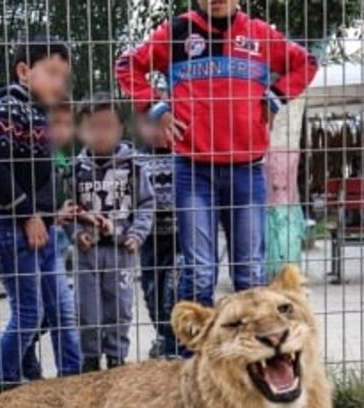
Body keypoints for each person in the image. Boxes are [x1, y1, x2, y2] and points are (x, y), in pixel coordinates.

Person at [116, 0, 318, 309]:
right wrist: (156, 108)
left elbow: (307, 63)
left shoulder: (259, 33)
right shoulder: (176, 32)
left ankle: (250, 340)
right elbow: (127, 65)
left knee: (250, 273)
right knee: (199, 273)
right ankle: (193, 340)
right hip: (193, 171)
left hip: (247, 171)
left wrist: (275, 98)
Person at [0, 38, 82, 397]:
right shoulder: (8, 109)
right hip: (15, 228)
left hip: (44, 229)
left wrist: (52, 213)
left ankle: (73, 385)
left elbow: (39, 177)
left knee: (61, 310)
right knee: (29, 313)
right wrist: (28, 215)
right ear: (24, 71)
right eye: (51, 73)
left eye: (63, 76)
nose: (59, 83)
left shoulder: (39, 114)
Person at [69, 94, 154, 372]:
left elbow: (146, 204)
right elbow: (68, 209)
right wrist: (76, 232)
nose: (101, 134)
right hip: (87, 254)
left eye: (107, 126)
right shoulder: (75, 170)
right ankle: (90, 361)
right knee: (87, 311)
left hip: (121, 251)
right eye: (93, 127)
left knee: (120, 308)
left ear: (120, 129)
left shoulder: (134, 167)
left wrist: (137, 234)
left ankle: (117, 358)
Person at [21, 98, 76, 382]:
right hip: (31, 239)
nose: (61, 130)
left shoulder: (60, 157)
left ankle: (68, 374)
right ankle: (24, 357)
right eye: (56, 124)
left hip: (56, 239)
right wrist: (54, 214)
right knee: (35, 309)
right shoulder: (33, 156)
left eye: (67, 124)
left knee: (60, 308)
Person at [134, 112, 179, 358]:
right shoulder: (136, 160)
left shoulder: (183, 157)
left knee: (173, 287)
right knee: (151, 290)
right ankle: (162, 334)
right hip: (150, 238)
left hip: (180, 237)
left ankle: (173, 340)